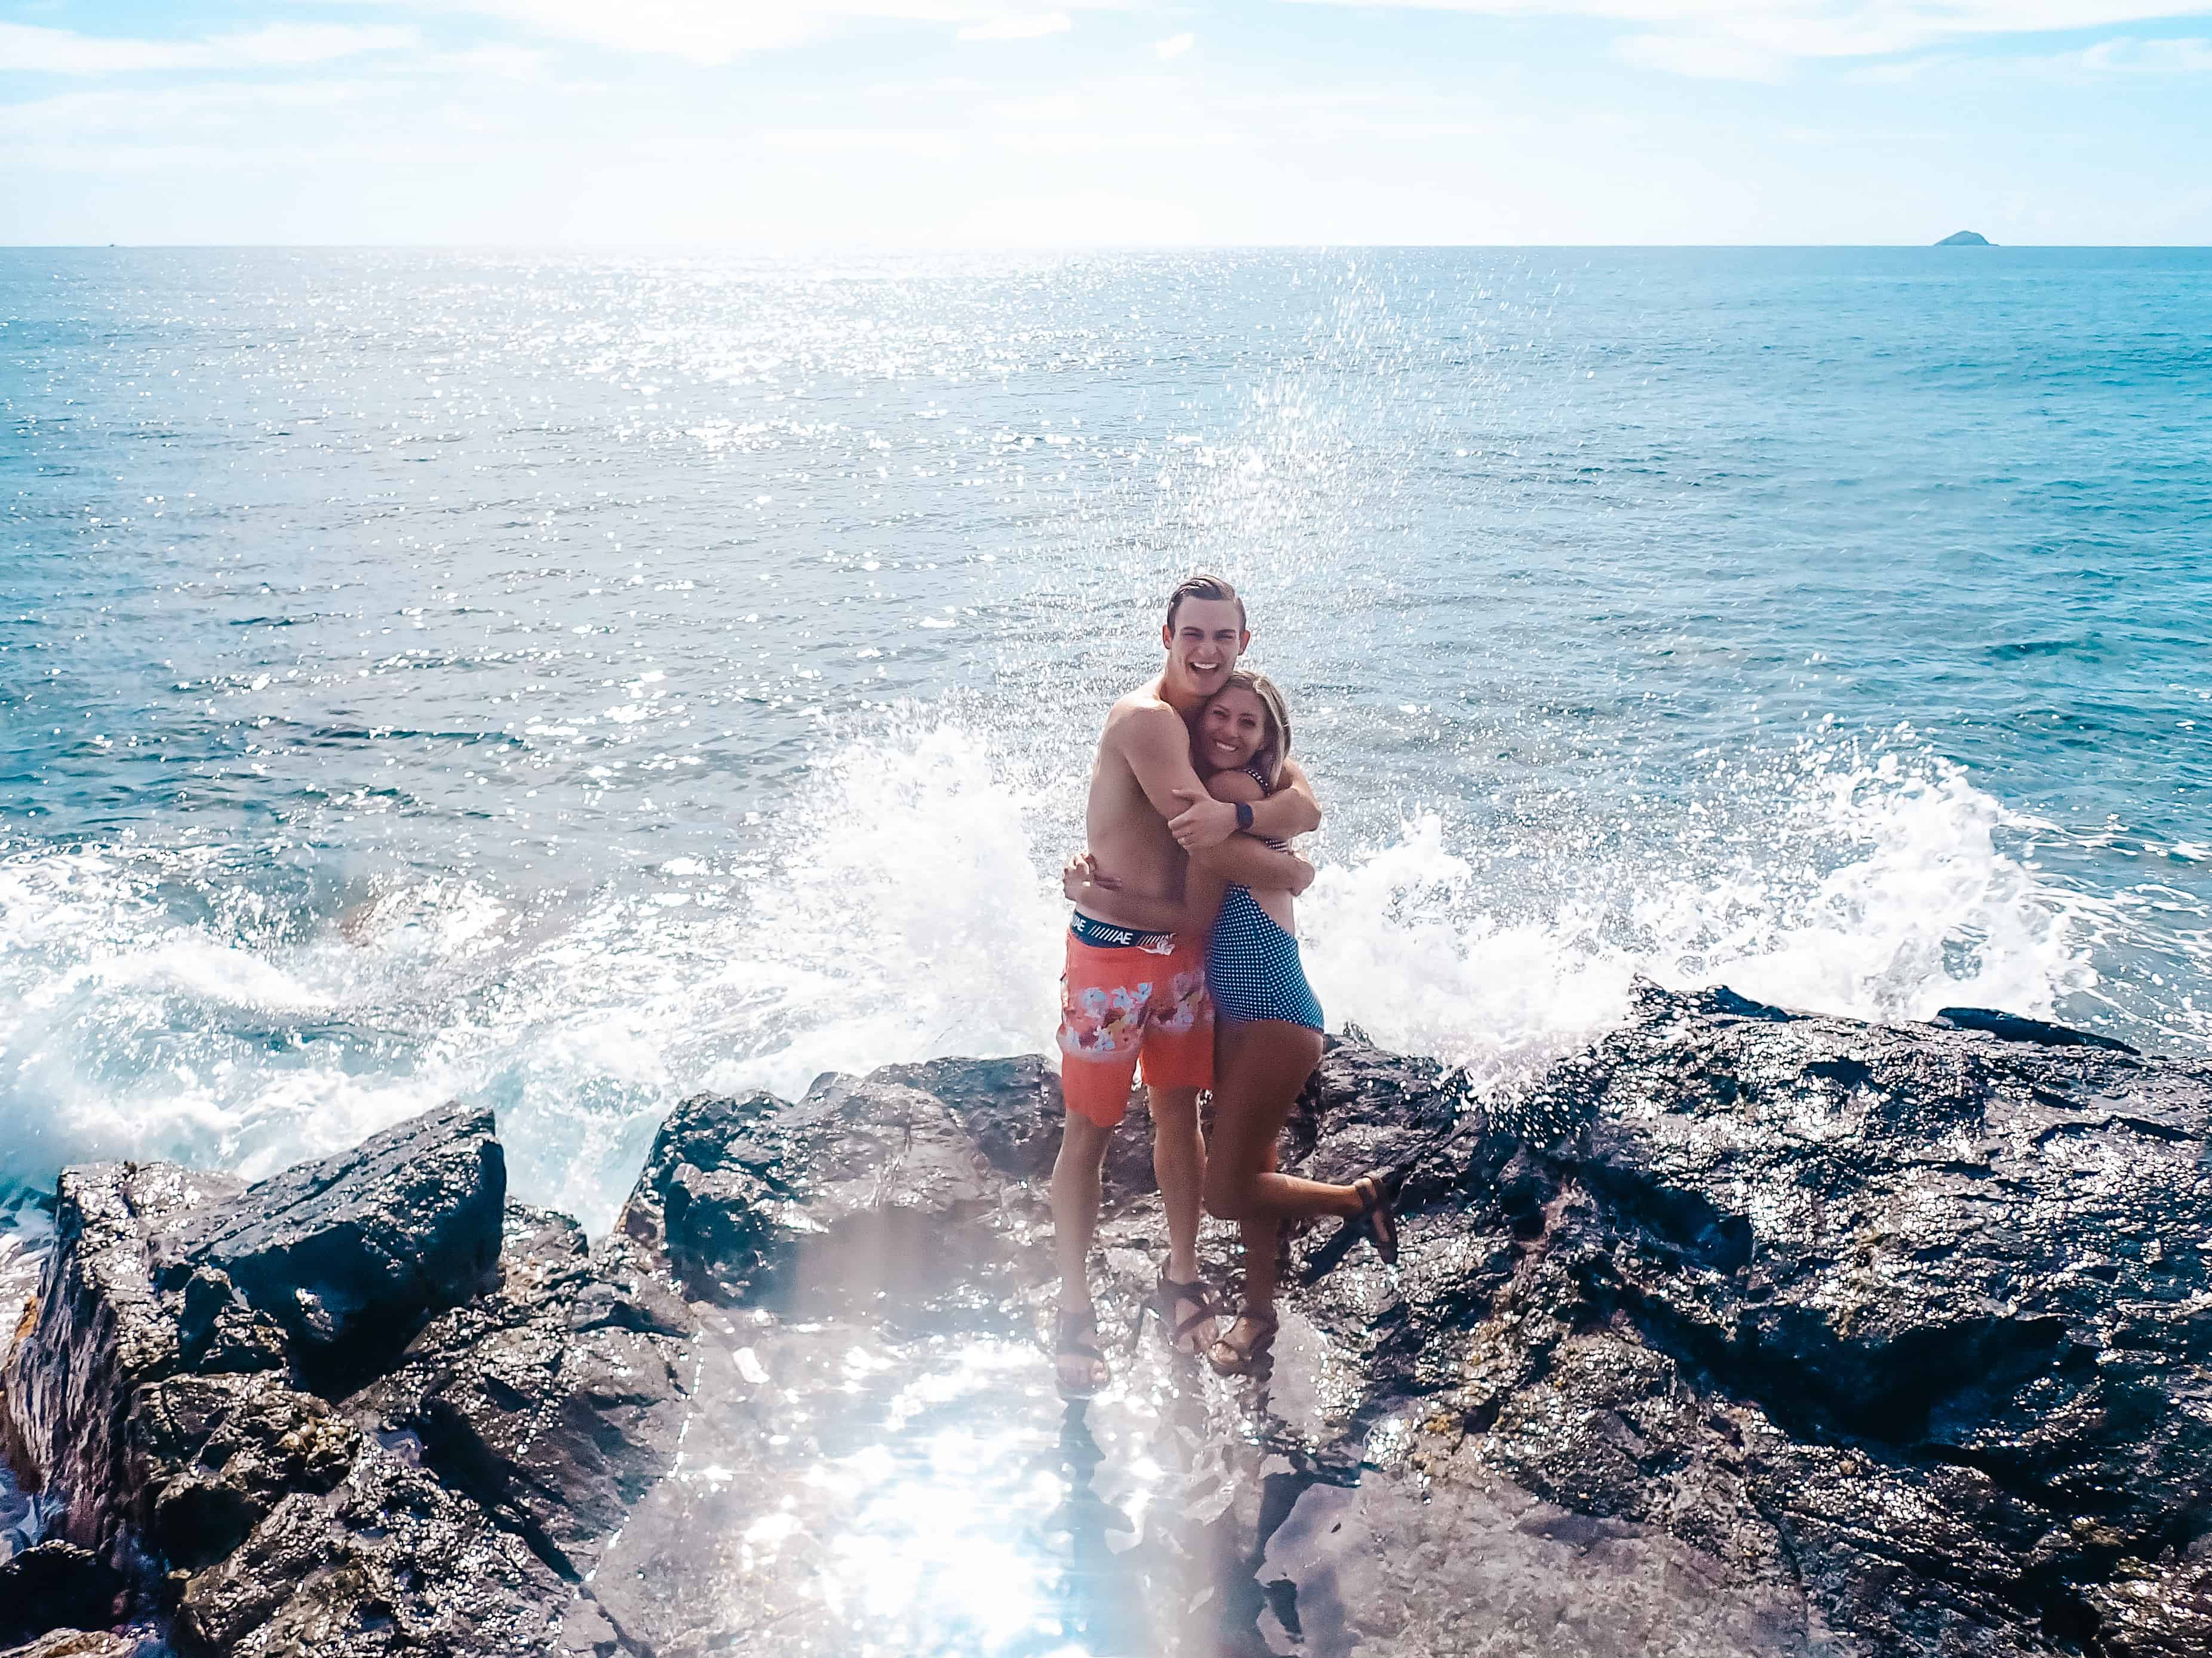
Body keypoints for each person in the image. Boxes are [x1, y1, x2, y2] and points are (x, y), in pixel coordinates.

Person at [1065, 669, 1399, 1378]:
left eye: (1248, 724)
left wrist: (1092, 895)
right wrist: (1289, 852)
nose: (1229, 730)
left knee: (1225, 1190)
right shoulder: (1246, 787)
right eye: (1220, 716)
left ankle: (1356, 1197)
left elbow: (1192, 912)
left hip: (1272, 1017)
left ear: (1268, 739)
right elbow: (1299, 810)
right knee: (1255, 1164)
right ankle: (1257, 1313)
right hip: (1242, 1012)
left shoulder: (1236, 792)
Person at [1049, 575, 1321, 1399]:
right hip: (1115, 956)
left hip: (1183, 954)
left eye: (1223, 637)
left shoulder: (1219, 725)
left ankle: (1182, 1273)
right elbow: (1207, 835)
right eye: (1192, 633)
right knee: (1090, 1129)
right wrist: (1290, 866)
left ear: (1244, 642)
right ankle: (1071, 1306)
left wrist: (1285, 835)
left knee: (1179, 1115)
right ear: (1164, 633)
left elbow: (1296, 796)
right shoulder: (1150, 721)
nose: (1207, 650)